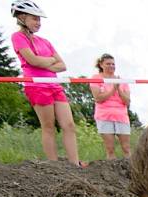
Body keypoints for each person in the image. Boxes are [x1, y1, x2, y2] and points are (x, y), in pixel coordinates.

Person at [9, 0, 81, 166]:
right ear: (21, 17)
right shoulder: (18, 37)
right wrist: (50, 61)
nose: (38, 23)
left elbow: (62, 65)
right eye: (35, 19)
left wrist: (44, 62)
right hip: (37, 85)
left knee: (69, 125)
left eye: (39, 19)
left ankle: (75, 164)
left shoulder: (45, 41)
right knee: (48, 126)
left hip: (54, 85)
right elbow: (32, 60)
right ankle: (54, 165)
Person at [89, 53, 131, 159]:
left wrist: (118, 88)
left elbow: (127, 101)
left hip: (121, 116)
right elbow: (98, 98)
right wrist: (113, 89)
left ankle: (131, 170)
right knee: (110, 149)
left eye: (113, 64)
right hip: (104, 116)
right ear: (101, 65)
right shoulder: (96, 78)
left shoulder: (121, 80)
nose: (111, 66)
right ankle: (112, 172)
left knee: (126, 148)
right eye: (108, 64)